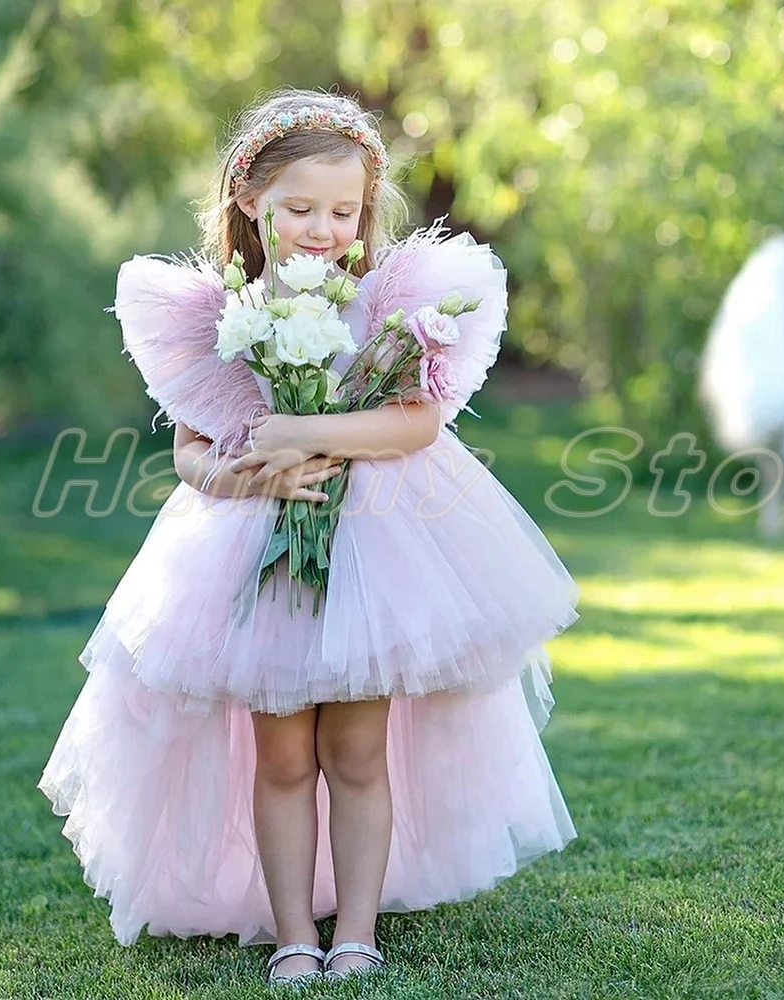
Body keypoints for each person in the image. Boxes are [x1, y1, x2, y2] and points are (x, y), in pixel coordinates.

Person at [37, 87, 580, 987]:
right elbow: (193, 457)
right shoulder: (222, 312)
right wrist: (257, 470)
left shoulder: (389, 305)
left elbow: (417, 425)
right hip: (256, 552)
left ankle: (356, 931)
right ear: (250, 203)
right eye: (300, 209)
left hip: (383, 551)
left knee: (357, 752)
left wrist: (306, 433)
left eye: (344, 210)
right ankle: (295, 932)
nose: (323, 228)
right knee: (282, 754)